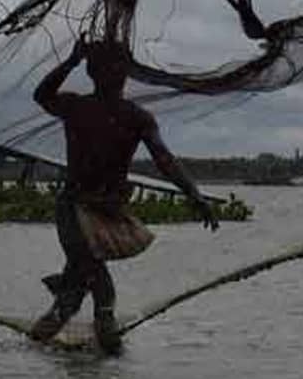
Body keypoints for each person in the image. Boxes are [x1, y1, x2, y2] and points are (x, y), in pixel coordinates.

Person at [29, 37, 216, 353]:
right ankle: (106, 336)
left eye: (119, 69)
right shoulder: (77, 107)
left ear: (125, 73)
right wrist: (72, 60)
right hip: (74, 205)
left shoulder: (136, 117)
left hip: (107, 208)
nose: (115, 76)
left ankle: (42, 341)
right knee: (95, 276)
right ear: (94, 73)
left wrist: (194, 195)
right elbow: (42, 95)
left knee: (74, 291)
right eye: (107, 69)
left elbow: (164, 159)